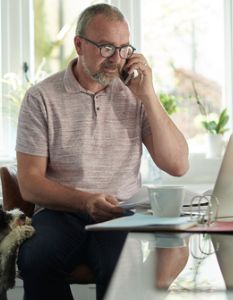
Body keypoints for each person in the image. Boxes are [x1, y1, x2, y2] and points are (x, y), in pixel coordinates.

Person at [16, 3, 189, 300]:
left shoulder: (135, 94)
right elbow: (30, 183)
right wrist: (85, 201)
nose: (116, 59)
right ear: (79, 45)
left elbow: (178, 165)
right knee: (36, 259)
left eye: (124, 49)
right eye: (107, 48)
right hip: (59, 212)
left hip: (118, 213)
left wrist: (148, 95)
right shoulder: (41, 97)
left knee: (120, 267)